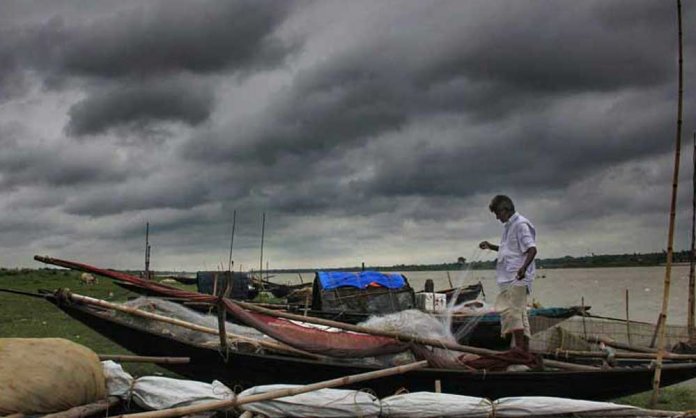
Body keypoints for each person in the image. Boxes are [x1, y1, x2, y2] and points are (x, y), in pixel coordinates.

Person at [479, 195, 537, 352]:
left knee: (513, 314)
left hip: (517, 278)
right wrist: (491, 247)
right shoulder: (509, 227)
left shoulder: (521, 225)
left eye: (498, 213)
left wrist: (524, 268)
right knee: (520, 314)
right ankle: (525, 350)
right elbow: (509, 251)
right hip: (508, 278)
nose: (497, 217)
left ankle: (518, 350)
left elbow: (532, 249)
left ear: (505, 210)